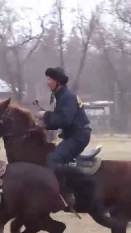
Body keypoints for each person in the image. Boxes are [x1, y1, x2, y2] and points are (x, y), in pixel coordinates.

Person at [35, 67, 91, 209]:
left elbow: (65, 120)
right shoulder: (61, 95)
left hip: (78, 136)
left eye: (49, 79)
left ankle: (67, 193)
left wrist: (45, 115)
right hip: (74, 135)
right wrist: (42, 125)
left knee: (53, 159)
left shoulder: (67, 97)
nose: (47, 82)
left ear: (57, 82)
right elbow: (59, 121)